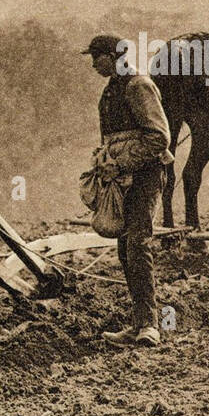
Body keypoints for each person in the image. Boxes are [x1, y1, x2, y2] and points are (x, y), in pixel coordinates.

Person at [82, 34, 175, 347]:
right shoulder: (111, 91)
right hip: (123, 178)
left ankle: (150, 325)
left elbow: (159, 138)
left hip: (146, 176)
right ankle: (138, 323)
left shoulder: (138, 86)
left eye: (98, 57)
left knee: (137, 243)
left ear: (114, 55)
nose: (94, 64)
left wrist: (120, 162)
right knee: (126, 249)